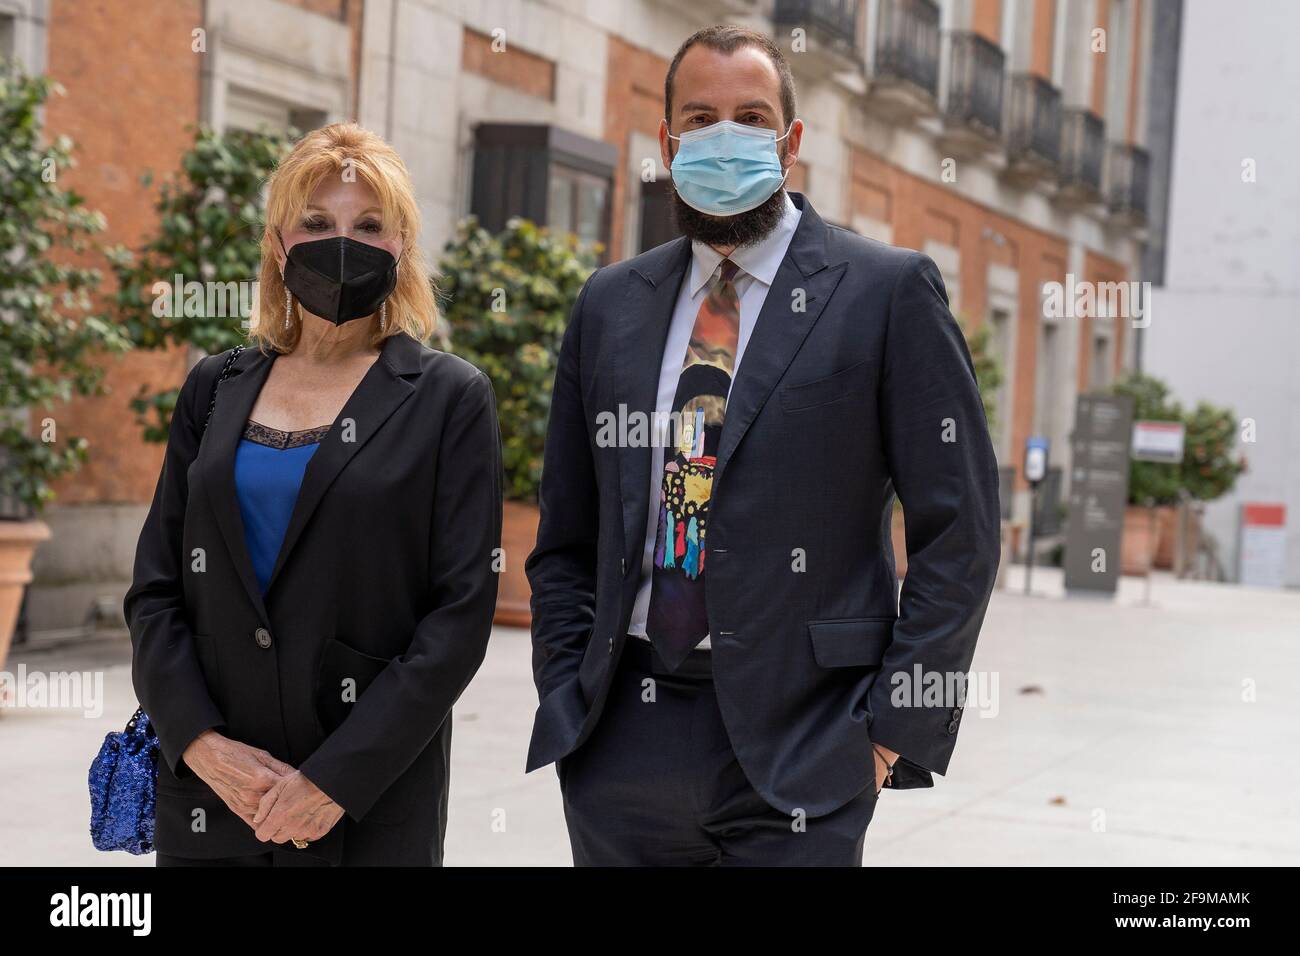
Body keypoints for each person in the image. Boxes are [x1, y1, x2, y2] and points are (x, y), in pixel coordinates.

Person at [525, 25, 1001, 866]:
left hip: (810, 742)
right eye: (700, 118)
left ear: (791, 142)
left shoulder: (886, 292)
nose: (724, 136)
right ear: (668, 143)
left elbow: (959, 532)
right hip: (621, 739)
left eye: (750, 116)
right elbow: (566, 529)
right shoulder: (610, 303)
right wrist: (567, 694)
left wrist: (890, 733)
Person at [124, 123, 503, 866]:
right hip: (212, 795)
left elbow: (458, 619)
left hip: (366, 800)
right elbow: (156, 589)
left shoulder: (449, 397)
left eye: (370, 226)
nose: (343, 242)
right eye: (317, 223)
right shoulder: (217, 385)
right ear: (278, 243)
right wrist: (199, 744)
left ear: (402, 248)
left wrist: (332, 782)